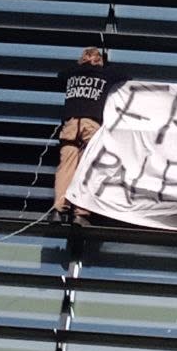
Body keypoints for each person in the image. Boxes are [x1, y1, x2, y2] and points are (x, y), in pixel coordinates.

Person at [52, 47, 127, 226]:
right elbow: (125, 77)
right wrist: (101, 68)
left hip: (70, 126)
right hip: (90, 125)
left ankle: (58, 209)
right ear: (98, 60)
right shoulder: (105, 75)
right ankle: (81, 213)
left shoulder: (72, 74)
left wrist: (81, 67)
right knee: (89, 168)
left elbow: (60, 75)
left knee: (66, 167)